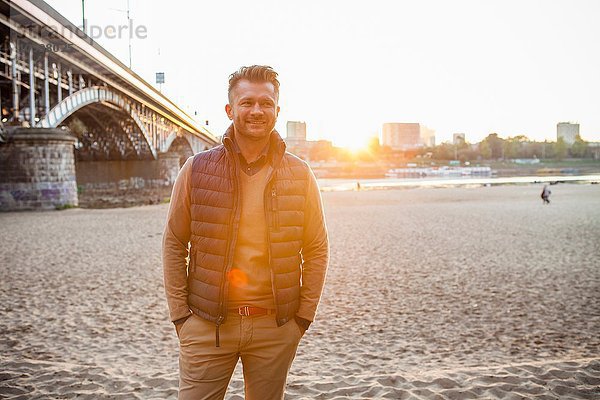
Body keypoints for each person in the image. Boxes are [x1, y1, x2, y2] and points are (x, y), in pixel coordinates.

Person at [162, 65, 329, 400]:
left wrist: (302, 319)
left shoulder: (299, 173)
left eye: (266, 103)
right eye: (247, 102)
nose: (257, 111)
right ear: (230, 109)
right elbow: (174, 243)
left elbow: (316, 248)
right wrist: (182, 317)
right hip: (207, 325)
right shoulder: (196, 169)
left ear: (277, 111)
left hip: (275, 327)